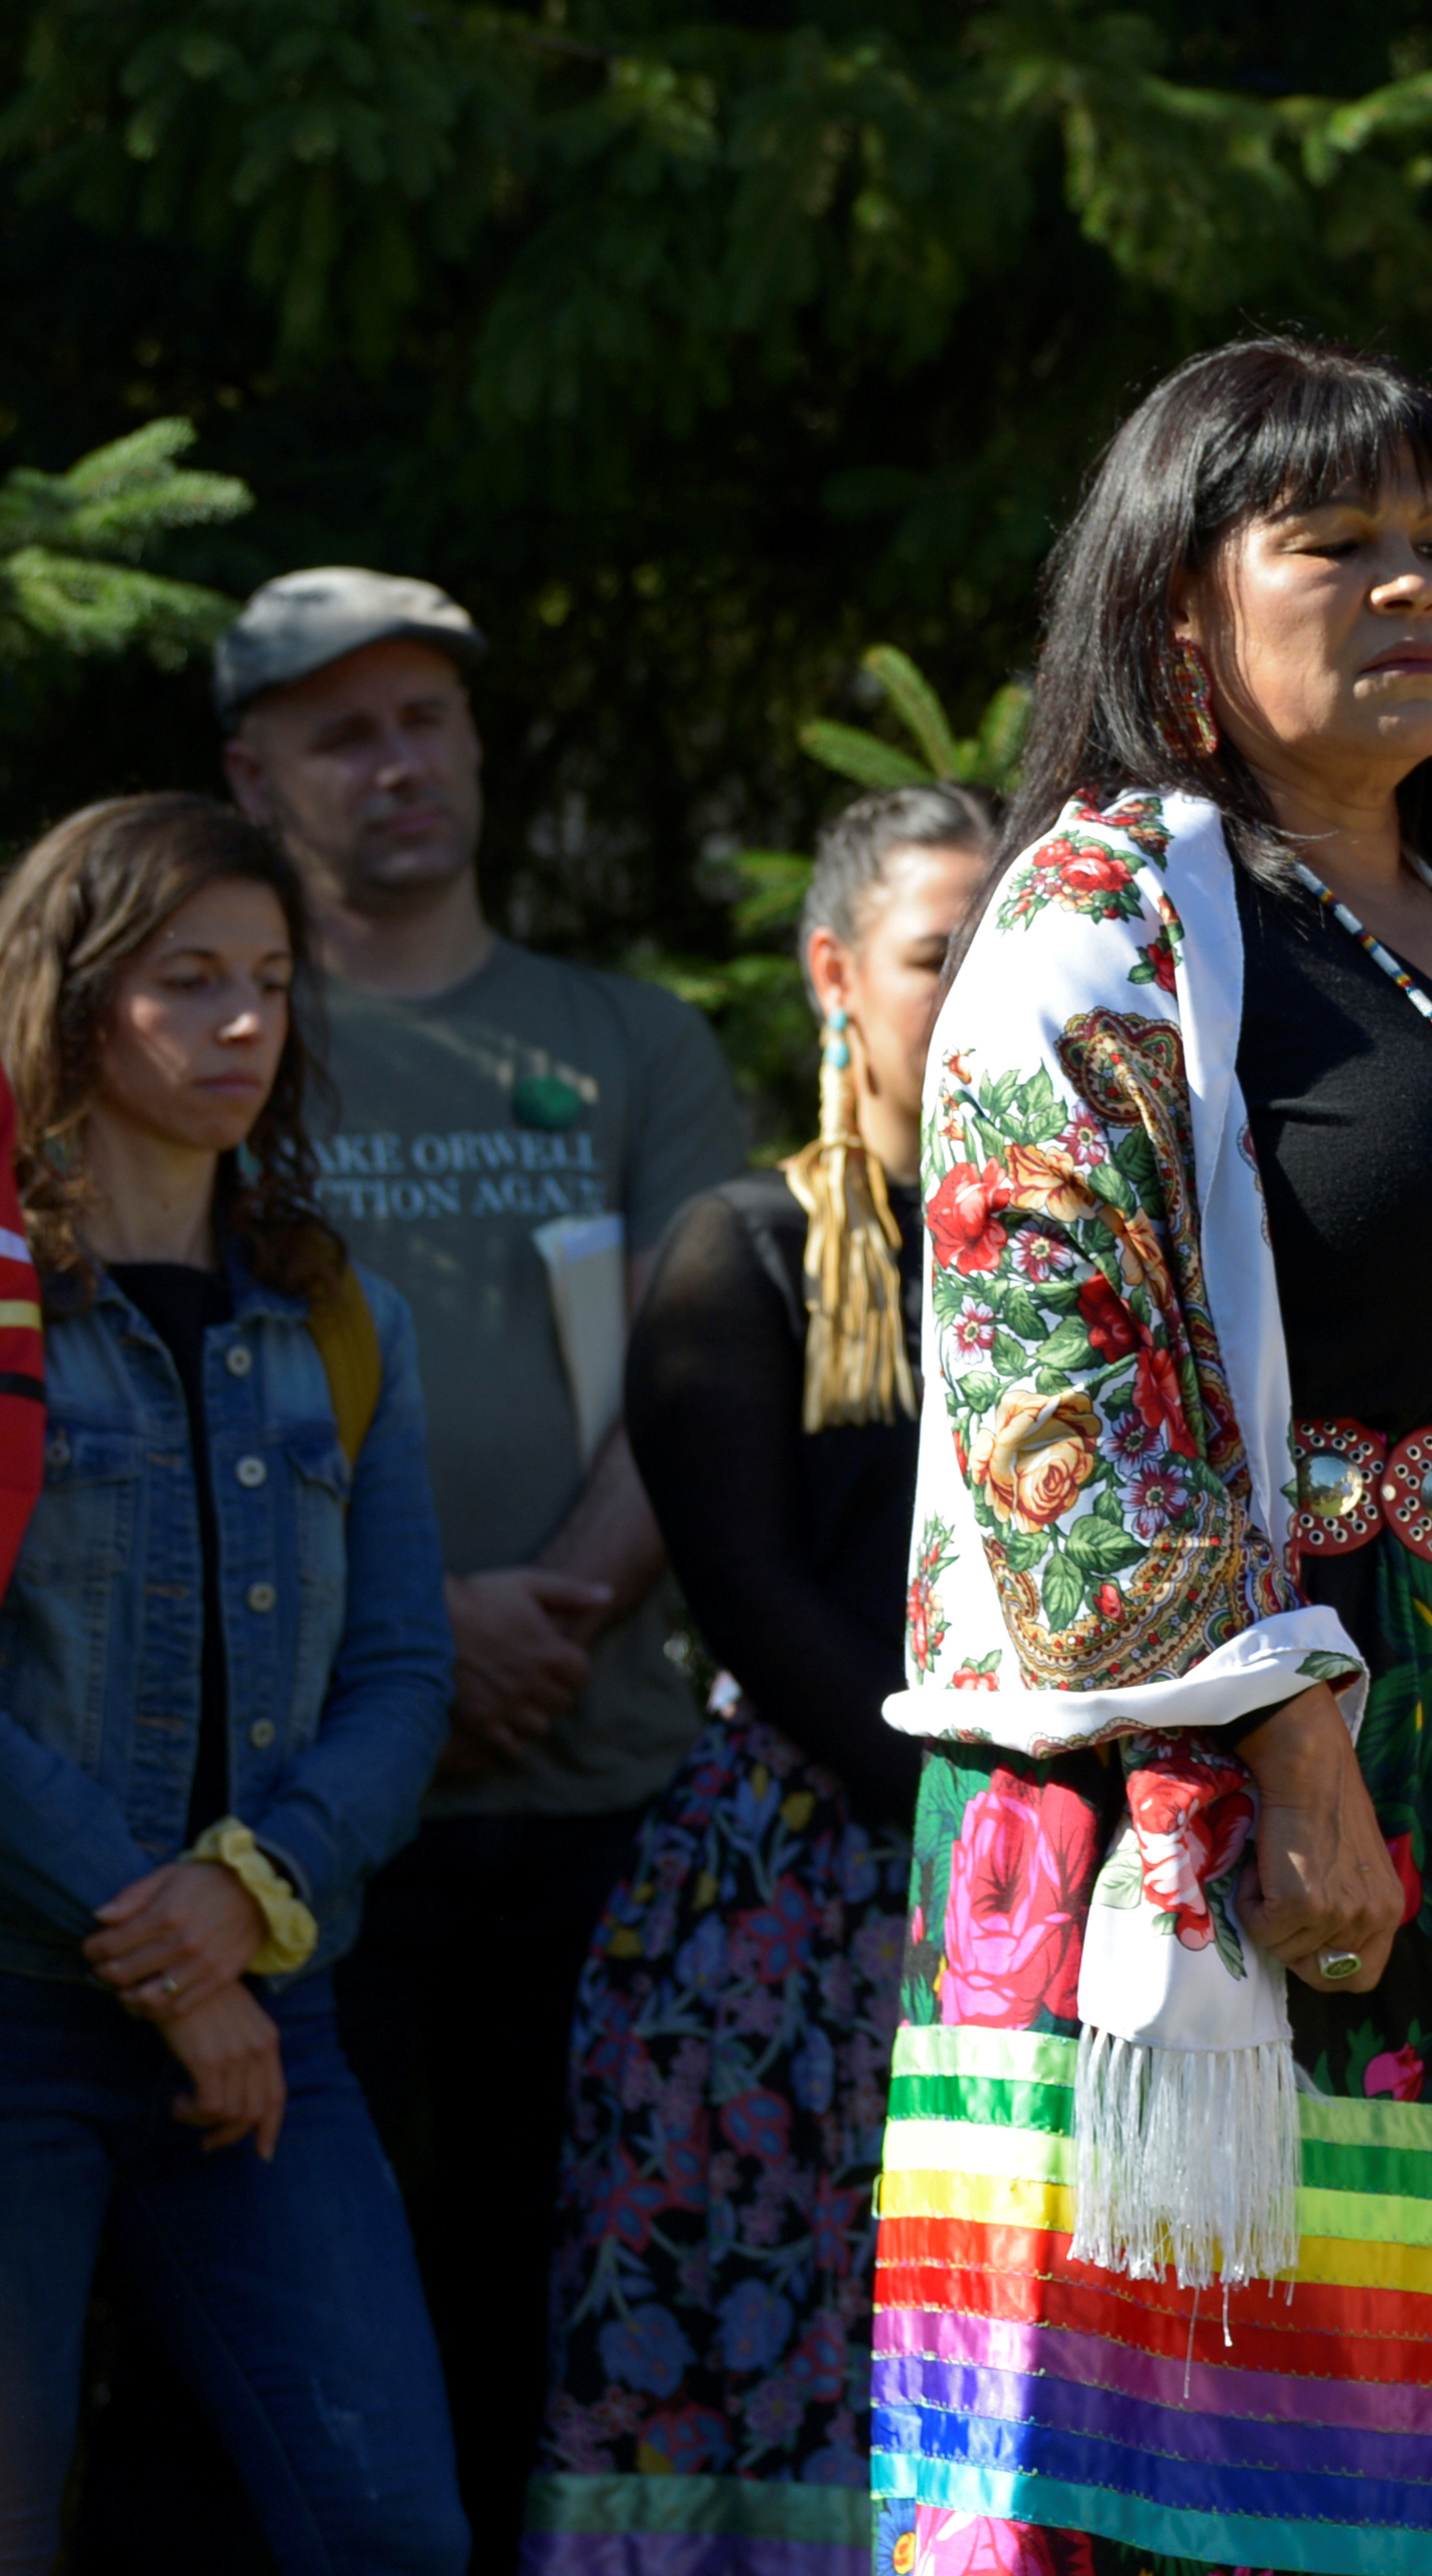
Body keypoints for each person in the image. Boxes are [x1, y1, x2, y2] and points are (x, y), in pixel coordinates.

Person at [862, 340, 1432, 2573]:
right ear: (1181, 608)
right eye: (1336, 543)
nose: (1413, 592)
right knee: (1176, 2488)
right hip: (1199, 1806)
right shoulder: (1100, 916)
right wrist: (1278, 1744)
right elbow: (1050, 1386)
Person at [214, 565, 753, 2565]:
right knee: (301, 2343)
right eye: (344, 730)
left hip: (599, 1780)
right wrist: (406, 1643)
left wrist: (561, 1606)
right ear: (250, 773)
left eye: (426, 715)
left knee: (558, 2305)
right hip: (298, 1815)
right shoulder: (230, 1024)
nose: (399, 761)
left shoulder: (622, 1037)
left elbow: (705, 1372)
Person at [524, 780, 997, 2574]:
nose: (977, 993)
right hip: (794, 1906)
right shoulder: (749, 1252)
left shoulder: (1106, 1253)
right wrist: (974, 1819)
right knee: (749, 2353)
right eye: (935, 954)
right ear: (833, 974)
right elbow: (752, 1609)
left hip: (1029, 1884)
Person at [0, 796, 457, 2570]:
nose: (245, 1024)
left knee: (392, 2529)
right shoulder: (11, 1299)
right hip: (26, 2010)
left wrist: (246, 1899)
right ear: (69, 1003)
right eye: (186, 982)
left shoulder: (341, 1319)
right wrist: (157, 1934)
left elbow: (405, 1674)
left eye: (269, 981)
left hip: (282, 2013)